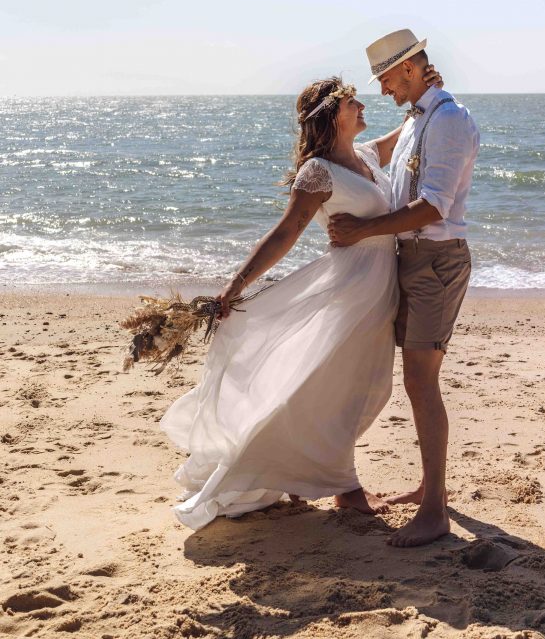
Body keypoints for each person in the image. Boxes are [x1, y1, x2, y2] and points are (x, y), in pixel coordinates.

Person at [159, 66, 442, 529]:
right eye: (354, 103)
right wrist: (235, 287)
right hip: (350, 290)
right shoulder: (318, 171)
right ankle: (346, 488)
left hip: (377, 291)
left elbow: (411, 125)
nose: (364, 106)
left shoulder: (367, 156)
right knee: (339, 389)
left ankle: (313, 475)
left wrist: (429, 90)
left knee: (364, 387)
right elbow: (286, 233)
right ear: (333, 117)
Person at [328, 29, 480, 547]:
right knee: (417, 378)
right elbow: (375, 159)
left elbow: (434, 205)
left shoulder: (450, 120)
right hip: (410, 260)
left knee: (420, 379)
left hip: (435, 261)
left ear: (411, 69)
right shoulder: (419, 118)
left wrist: (362, 230)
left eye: (388, 78)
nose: (384, 89)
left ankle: (435, 510)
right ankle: (428, 489)